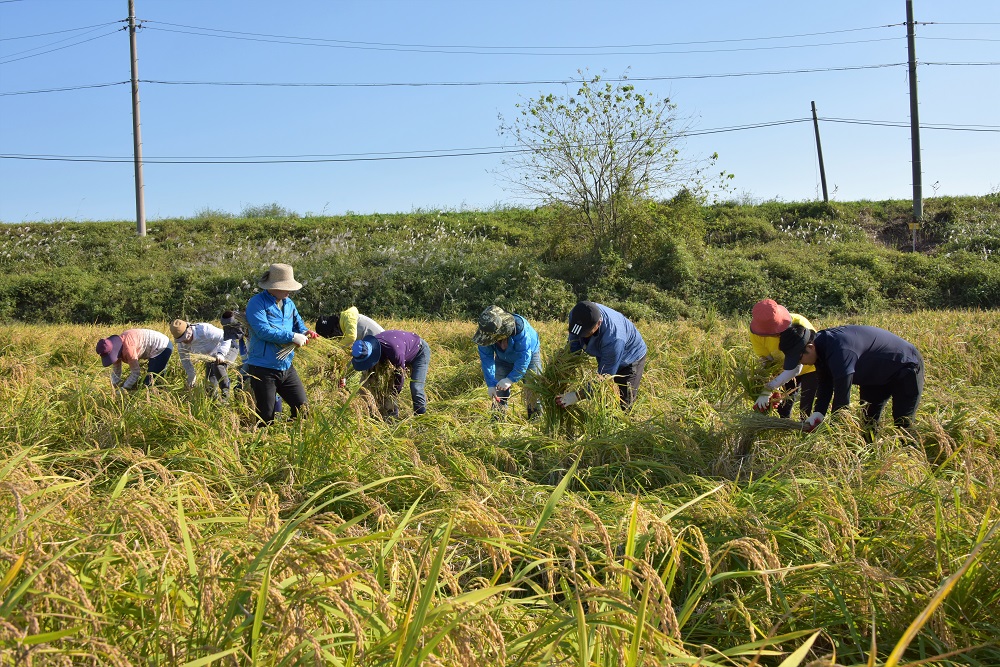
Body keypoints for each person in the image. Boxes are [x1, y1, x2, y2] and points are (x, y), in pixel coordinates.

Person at [779, 323, 924, 435]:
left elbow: (842, 400)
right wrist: (819, 413)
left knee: (903, 423)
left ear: (809, 347)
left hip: (905, 367)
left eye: (799, 359)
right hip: (873, 375)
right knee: (868, 420)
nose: (800, 364)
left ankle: (915, 462)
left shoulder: (840, 351)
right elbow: (825, 383)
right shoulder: (820, 346)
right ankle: (872, 462)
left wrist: (836, 432)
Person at [244, 263, 318, 424]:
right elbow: (263, 331)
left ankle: (291, 438)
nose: (289, 291)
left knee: (303, 408)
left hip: (286, 365)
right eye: (286, 287)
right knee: (266, 416)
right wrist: (292, 337)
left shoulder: (288, 303)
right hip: (263, 368)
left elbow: (299, 325)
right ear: (273, 286)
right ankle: (263, 444)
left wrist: (306, 333)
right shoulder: (257, 303)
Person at [556, 300, 648, 411]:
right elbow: (573, 347)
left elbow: (604, 378)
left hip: (630, 357)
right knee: (603, 401)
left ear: (598, 324)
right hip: (604, 350)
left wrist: (576, 396)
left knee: (624, 404)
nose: (581, 336)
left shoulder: (614, 338)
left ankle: (622, 424)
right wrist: (563, 372)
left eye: (585, 333)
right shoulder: (577, 313)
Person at [748, 299, 818, 419]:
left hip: (810, 367)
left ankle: (806, 431)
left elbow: (796, 368)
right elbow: (767, 362)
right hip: (784, 366)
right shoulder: (756, 334)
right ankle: (783, 427)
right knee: (783, 406)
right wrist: (772, 384)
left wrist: (769, 388)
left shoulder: (799, 325)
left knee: (806, 407)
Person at [472, 305, 543, 418]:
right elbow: (487, 359)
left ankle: (535, 420)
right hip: (503, 358)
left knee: (533, 389)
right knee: (498, 389)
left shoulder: (519, 328)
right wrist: (491, 384)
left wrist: (510, 379)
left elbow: (524, 356)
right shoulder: (486, 332)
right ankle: (497, 419)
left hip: (529, 356)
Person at [350, 330, 431, 420]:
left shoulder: (394, 351)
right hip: (402, 350)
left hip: (419, 352)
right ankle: (376, 412)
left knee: (416, 387)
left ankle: (420, 417)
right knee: (372, 382)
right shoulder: (368, 348)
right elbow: (367, 380)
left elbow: (399, 376)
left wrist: (391, 397)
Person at [169, 318, 239, 400]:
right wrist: (192, 378)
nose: (185, 341)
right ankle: (215, 403)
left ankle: (225, 396)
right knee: (210, 383)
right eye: (181, 340)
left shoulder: (204, 329)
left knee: (218, 367)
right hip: (210, 356)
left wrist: (221, 354)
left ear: (189, 329)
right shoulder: (182, 345)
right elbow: (186, 362)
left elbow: (226, 337)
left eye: (185, 338)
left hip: (228, 346)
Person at [95, 328, 173, 391]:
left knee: (150, 382)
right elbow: (116, 370)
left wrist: (123, 389)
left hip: (162, 346)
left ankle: (157, 401)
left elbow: (136, 372)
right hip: (154, 346)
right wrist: (114, 387)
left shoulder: (128, 349)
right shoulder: (114, 348)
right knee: (152, 379)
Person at [315, 306, 385, 343]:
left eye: (331, 334)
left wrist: (336, 350)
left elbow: (351, 338)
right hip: (376, 345)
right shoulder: (344, 323)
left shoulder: (348, 319)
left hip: (384, 343)